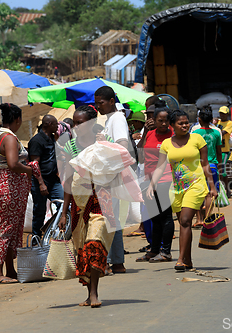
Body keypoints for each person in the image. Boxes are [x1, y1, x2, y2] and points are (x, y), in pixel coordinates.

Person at [0, 103, 41, 284]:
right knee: (3, 230)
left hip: (7, 186)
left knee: (13, 229)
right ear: (17, 119)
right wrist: (29, 170)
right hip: (10, 188)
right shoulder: (10, 138)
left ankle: (10, 270)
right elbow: (13, 164)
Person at [57, 105, 115, 308]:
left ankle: (94, 293)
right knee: (82, 248)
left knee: (94, 243)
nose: (76, 126)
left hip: (102, 201)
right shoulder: (69, 147)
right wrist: (63, 213)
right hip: (79, 204)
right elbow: (67, 180)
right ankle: (90, 293)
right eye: (74, 123)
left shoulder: (106, 143)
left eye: (80, 123)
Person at [147, 110, 218, 272]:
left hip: (196, 185)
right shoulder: (166, 144)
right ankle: (188, 260)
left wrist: (212, 187)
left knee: (186, 221)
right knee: (183, 224)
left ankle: (180, 259)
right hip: (177, 188)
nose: (185, 125)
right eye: (181, 123)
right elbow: (160, 167)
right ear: (172, 126)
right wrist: (152, 184)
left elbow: (205, 164)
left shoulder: (197, 139)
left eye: (186, 122)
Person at [94, 86, 132, 274]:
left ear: (111, 102)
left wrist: (104, 144)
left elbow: (122, 145)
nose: (97, 106)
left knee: (109, 219)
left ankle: (110, 262)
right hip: (112, 175)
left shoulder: (117, 118)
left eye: (100, 103)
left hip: (113, 176)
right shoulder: (111, 119)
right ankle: (117, 262)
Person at [136, 105, 175, 262]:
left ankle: (166, 251)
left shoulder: (173, 134)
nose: (163, 124)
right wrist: (145, 132)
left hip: (166, 180)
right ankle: (154, 250)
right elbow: (140, 155)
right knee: (155, 217)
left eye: (166, 121)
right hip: (148, 180)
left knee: (166, 217)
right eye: (160, 121)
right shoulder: (150, 134)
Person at [28, 115, 64, 238]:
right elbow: (34, 164)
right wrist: (41, 183)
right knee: (39, 211)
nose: (57, 126)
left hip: (53, 180)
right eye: (55, 124)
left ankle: (53, 231)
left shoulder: (53, 138)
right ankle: (36, 239)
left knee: (63, 204)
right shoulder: (37, 141)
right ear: (48, 124)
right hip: (40, 181)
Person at [192, 108, 222, 228]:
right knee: (210, 193)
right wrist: (219, 165)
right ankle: (207, 218)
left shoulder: (195, 133)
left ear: (199, 119)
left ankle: (198, 219)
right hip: (213, 165)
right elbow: (219, 151)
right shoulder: (216, 132)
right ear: (211, 120)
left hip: (198, 166)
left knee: (198, 193)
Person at [217, 106, 232, 197]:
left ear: (227, 114)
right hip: (216, 149)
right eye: (221, 113)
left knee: (222, 171)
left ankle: (226, 190)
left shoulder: (230, 123)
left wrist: (214, 127)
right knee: (219, 170)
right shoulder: (217, 122)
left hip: (224, 150)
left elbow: (222, 133)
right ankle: (226, 190)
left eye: (224, 113)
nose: (222, 115)